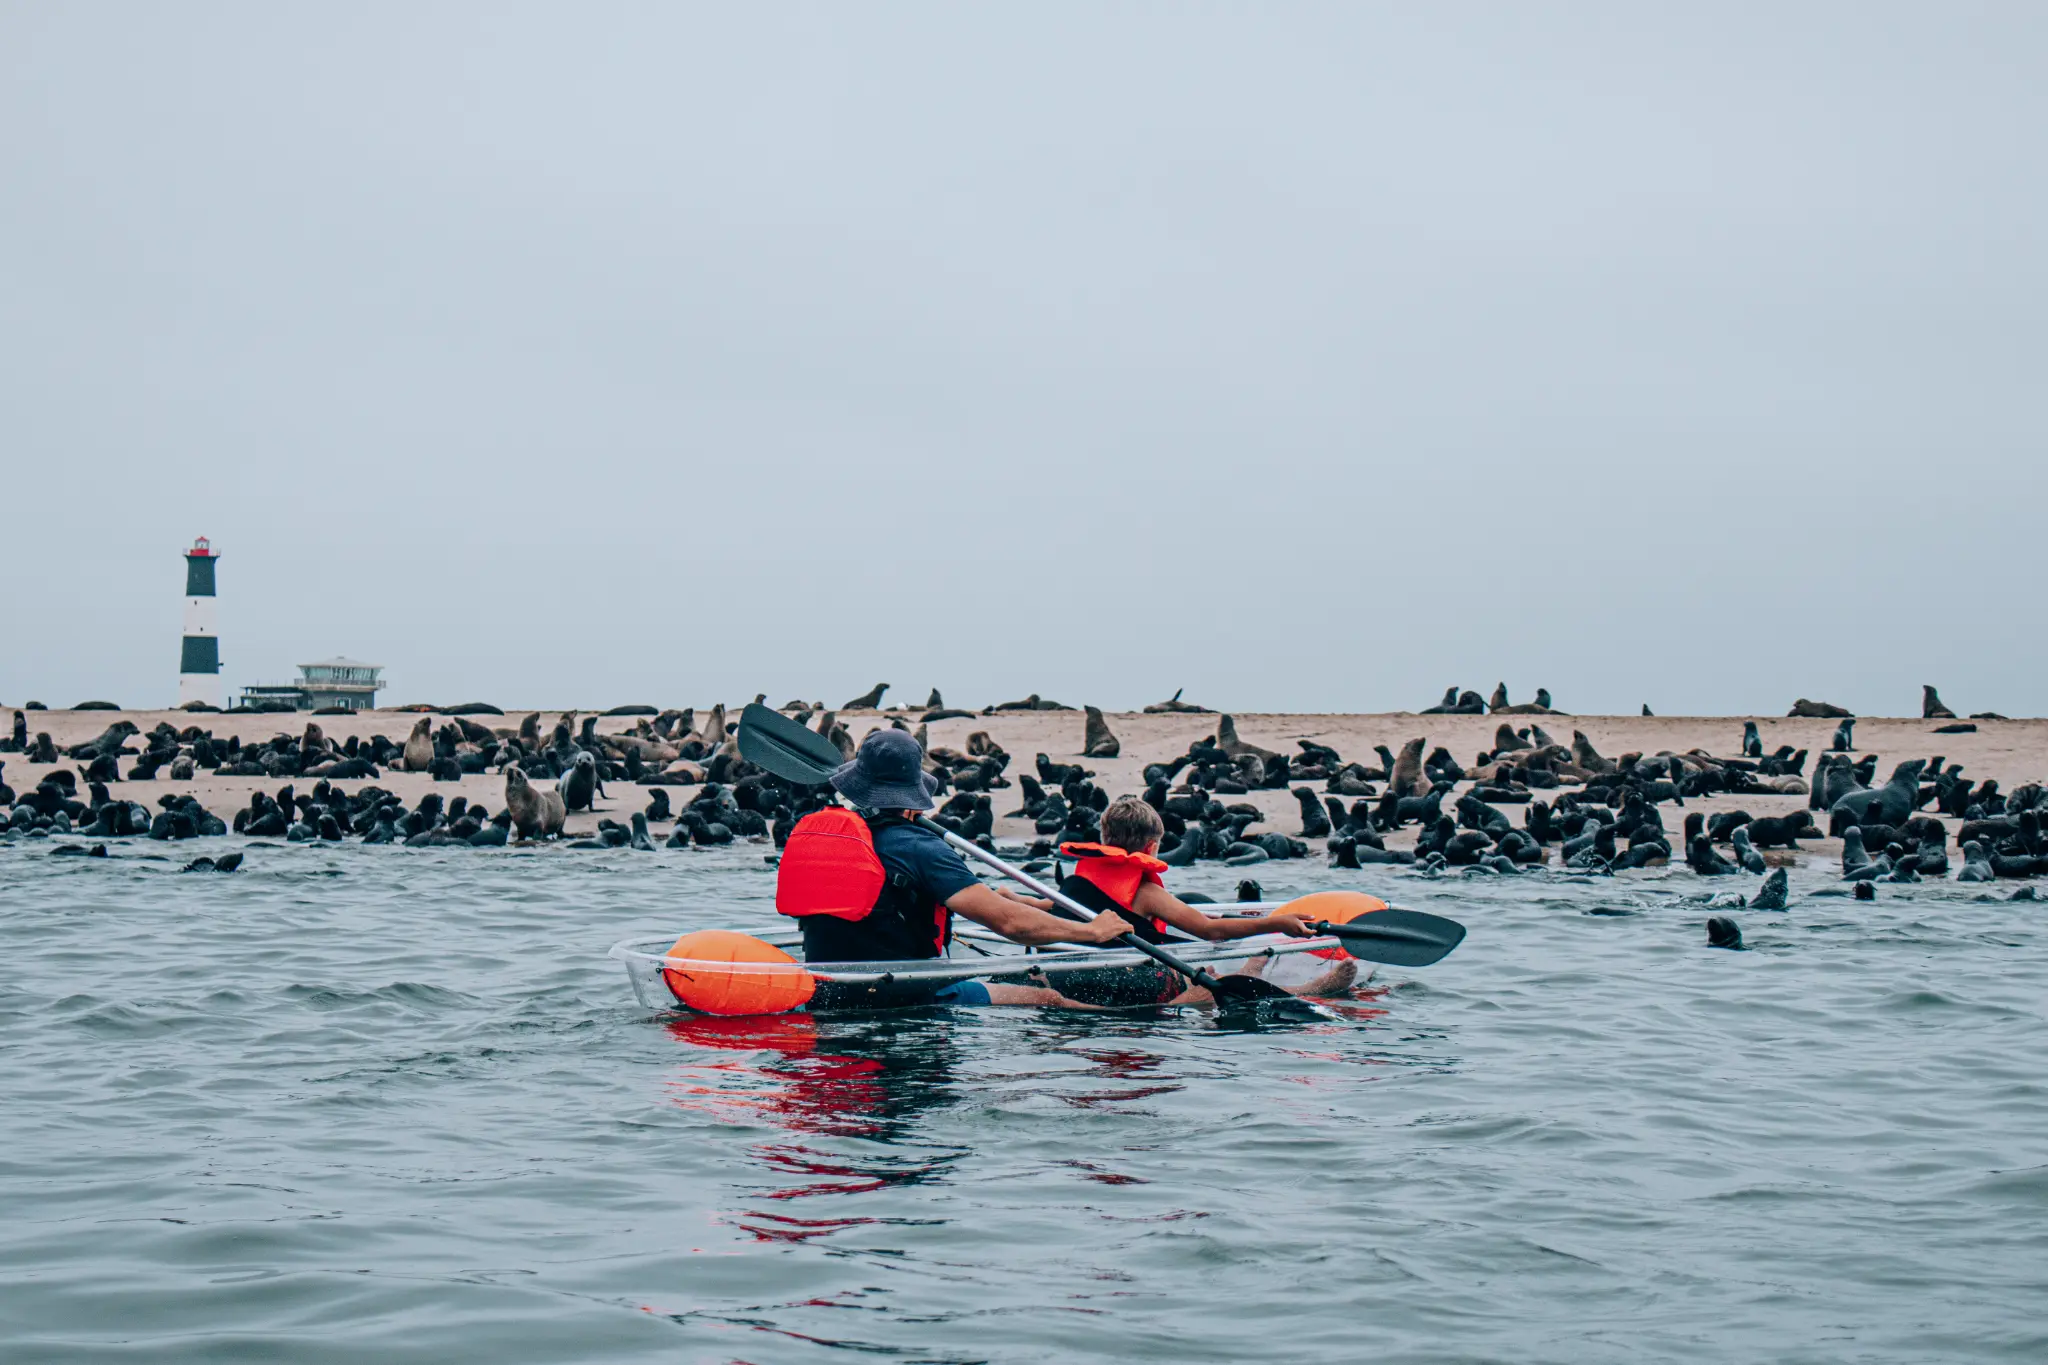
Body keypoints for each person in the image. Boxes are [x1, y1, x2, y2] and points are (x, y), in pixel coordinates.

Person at [778, 728, 1129, 1005]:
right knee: (1045, 997)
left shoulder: (831, 836)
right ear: (912, 797)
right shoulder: (921, 847)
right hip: (901, 996)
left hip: (828, 992)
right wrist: (1091, 931)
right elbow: (1010, 924)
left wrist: (996, 897)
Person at [1057, 796, 1357, 1003]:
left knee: (1209, 973)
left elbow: (1051, 910)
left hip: (1082, 976)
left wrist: (1013, 898)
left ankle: (1251, 968)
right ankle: (1306, 990)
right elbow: (1208, 931)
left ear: (1103, 838)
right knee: (1211, 981)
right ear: (1151, 847)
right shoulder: (1147, 893)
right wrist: (1276, 923)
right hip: (1135, 980)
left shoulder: (1078, 883)